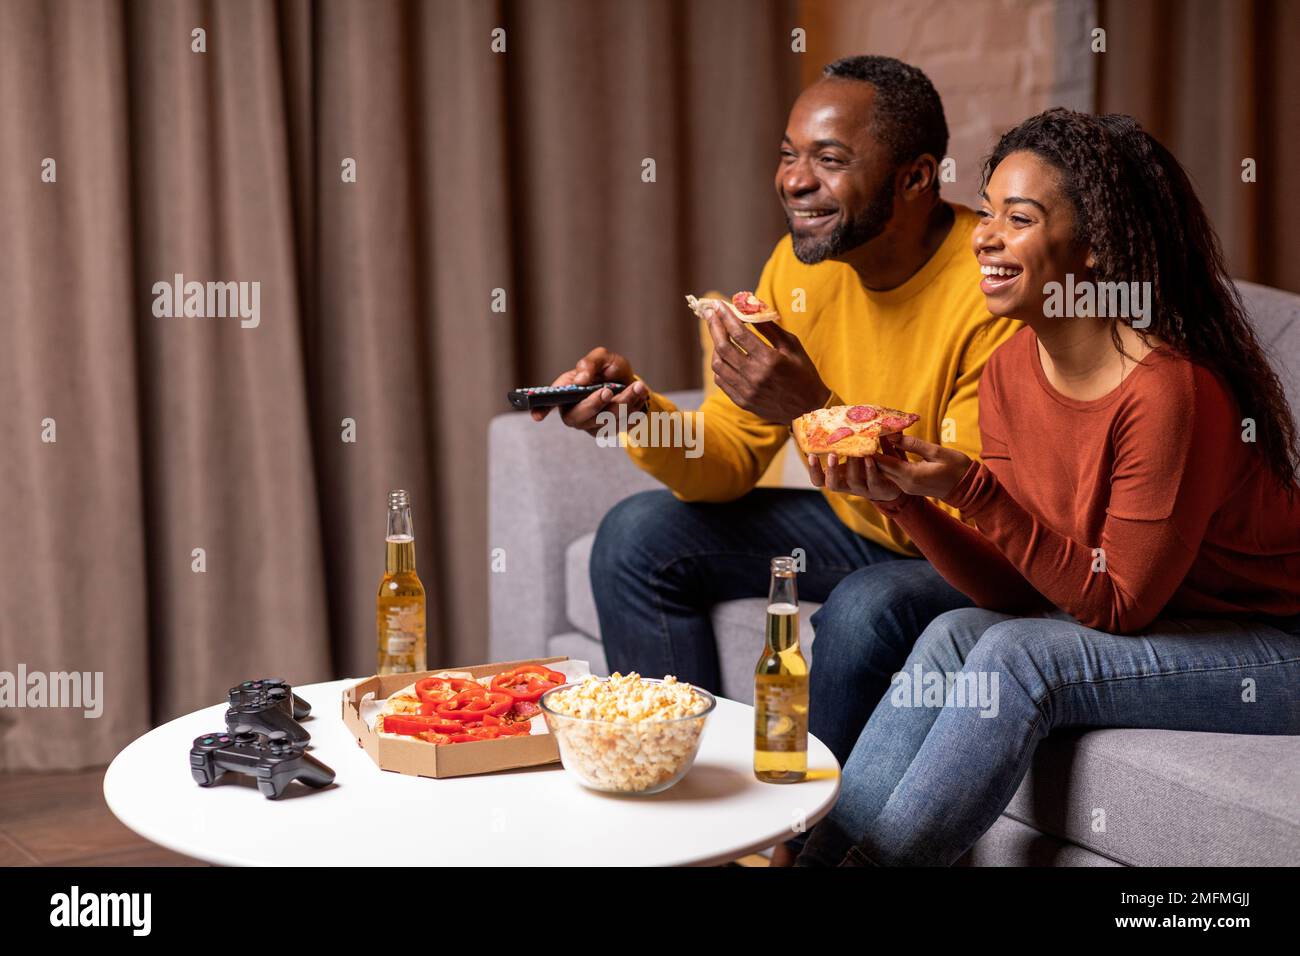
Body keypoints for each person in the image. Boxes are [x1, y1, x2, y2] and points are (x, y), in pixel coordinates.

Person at [794, 108, 1300, 866]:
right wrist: (902, 499)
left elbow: (1115, 604)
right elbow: (1012, 591)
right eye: (988, 210)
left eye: (1018, 219)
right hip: (1179, 626)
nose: (985, 235)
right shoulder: (1009, 371)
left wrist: (973, 490)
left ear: (1095, 248)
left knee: (1021, 658)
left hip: (1276, 652)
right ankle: (813, 859)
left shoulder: (1169, 392)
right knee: (950, 633)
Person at [533, 57, 1018, 835]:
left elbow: (967, 518)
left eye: (829, 160)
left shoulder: (991, 290)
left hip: (962, 554)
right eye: (789, 155)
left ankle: (800, 840)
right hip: (865, 525)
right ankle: (679, 810)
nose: (794, 181)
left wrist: (815, 408)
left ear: (915, 178)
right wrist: (636, 416)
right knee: (636, 538)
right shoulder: (800, 266)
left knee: (866, 608)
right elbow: (726, 459)